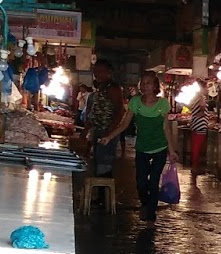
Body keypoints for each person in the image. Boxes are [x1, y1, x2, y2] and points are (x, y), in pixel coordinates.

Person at [128, 71, 176, 221]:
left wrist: (171, 150)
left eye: (149, 83)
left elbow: (166, 128)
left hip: (159, 148)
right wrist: (109, 136)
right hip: (142, 148)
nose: (145, 85)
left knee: (154, 181)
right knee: (141, 181)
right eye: (143, 82)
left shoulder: (163, 104)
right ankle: (145, 203)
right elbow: (125, 123)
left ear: (155, 86)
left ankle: (151, 215)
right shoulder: (135, 102)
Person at [86, 61, 129, 178]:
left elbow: (120, 110)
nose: (97, 74)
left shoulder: (113, 88)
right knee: (98, 162)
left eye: (100, 71)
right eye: (95, 71)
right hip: (99, 130)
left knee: (104, 164)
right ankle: (100, 192)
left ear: (109, 73)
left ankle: (103, 193)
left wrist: (110, 132)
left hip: (107, 132)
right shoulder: (101, 88)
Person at [187, 92, 209, 183]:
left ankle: (194, 166)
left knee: (195, 147)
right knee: (197, 148)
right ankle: (195, 167)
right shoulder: (201, 97)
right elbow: (202, 106)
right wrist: (203, 113)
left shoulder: (193, 98)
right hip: (200, 126)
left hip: (195, 125)